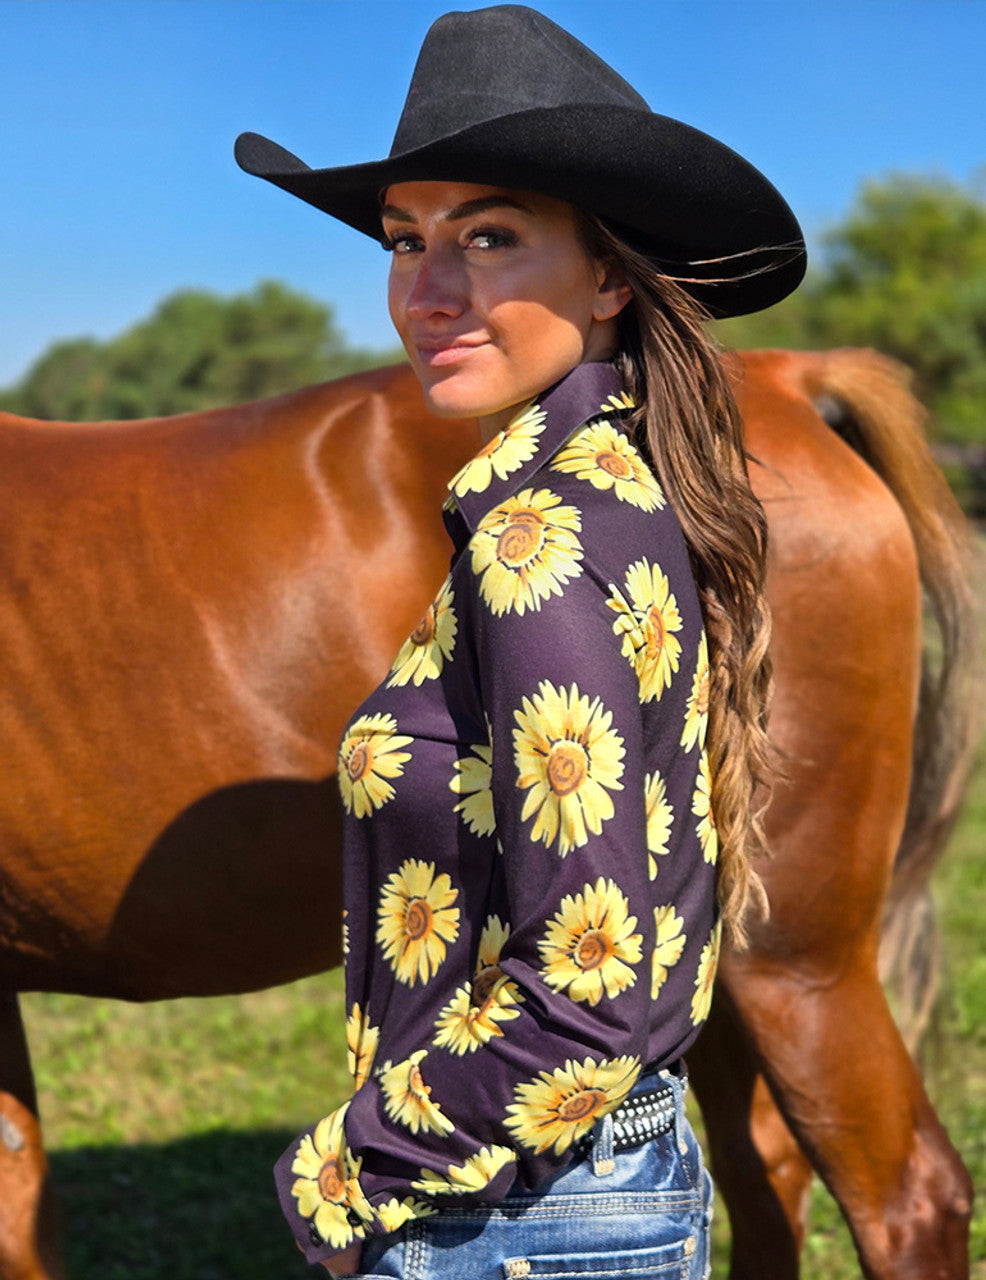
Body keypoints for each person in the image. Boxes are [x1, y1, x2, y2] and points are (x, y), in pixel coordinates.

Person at [235, 6, 805, 1277]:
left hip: (518, 1210)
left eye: (488, 236)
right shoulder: (617, 484)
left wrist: (338, 1180)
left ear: (609, 277)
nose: (428, 290)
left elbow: (587, 996)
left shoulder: (536, 537)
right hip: (573, 1187)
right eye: (404, 240)